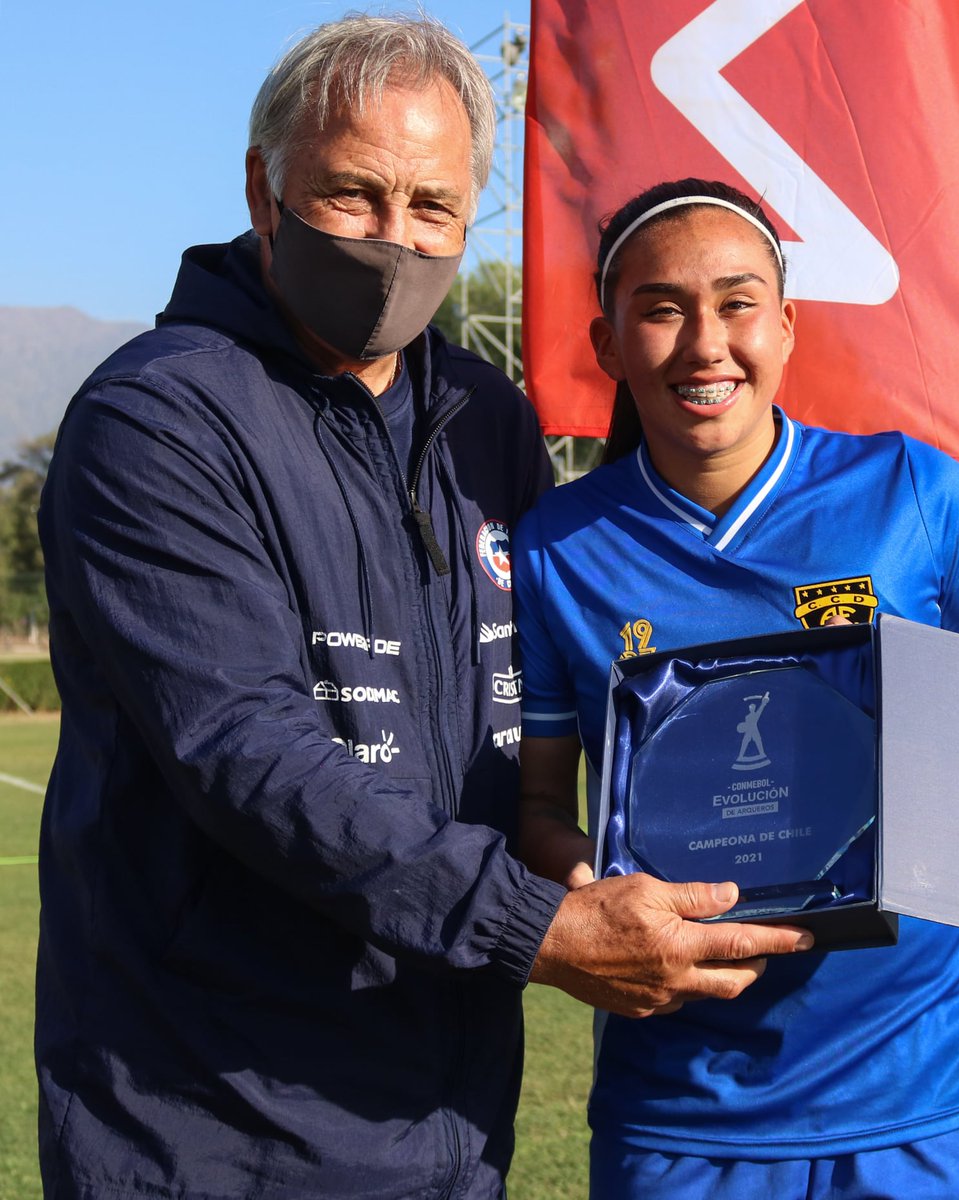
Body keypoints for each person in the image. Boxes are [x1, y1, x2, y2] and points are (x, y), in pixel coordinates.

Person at [35, 25, 809, 1200]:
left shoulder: (487, 420)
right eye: (354, 194)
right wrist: (539, 928)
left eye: (433, 207)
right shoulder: (159, 422)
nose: (397, 241)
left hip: (448, 1124)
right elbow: (253, 755)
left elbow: (582, 672)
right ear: (265, 189)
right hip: (212, 1127)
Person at [514, 178, 959, 1200]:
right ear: (605, 343)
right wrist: (604, 894)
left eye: (737, 304)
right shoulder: (557, 547)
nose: (704, 344)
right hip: (683, 1120)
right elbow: (541, 809)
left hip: (929, 1103)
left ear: (786, 327)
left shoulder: (917, 491)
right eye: (661, 308)